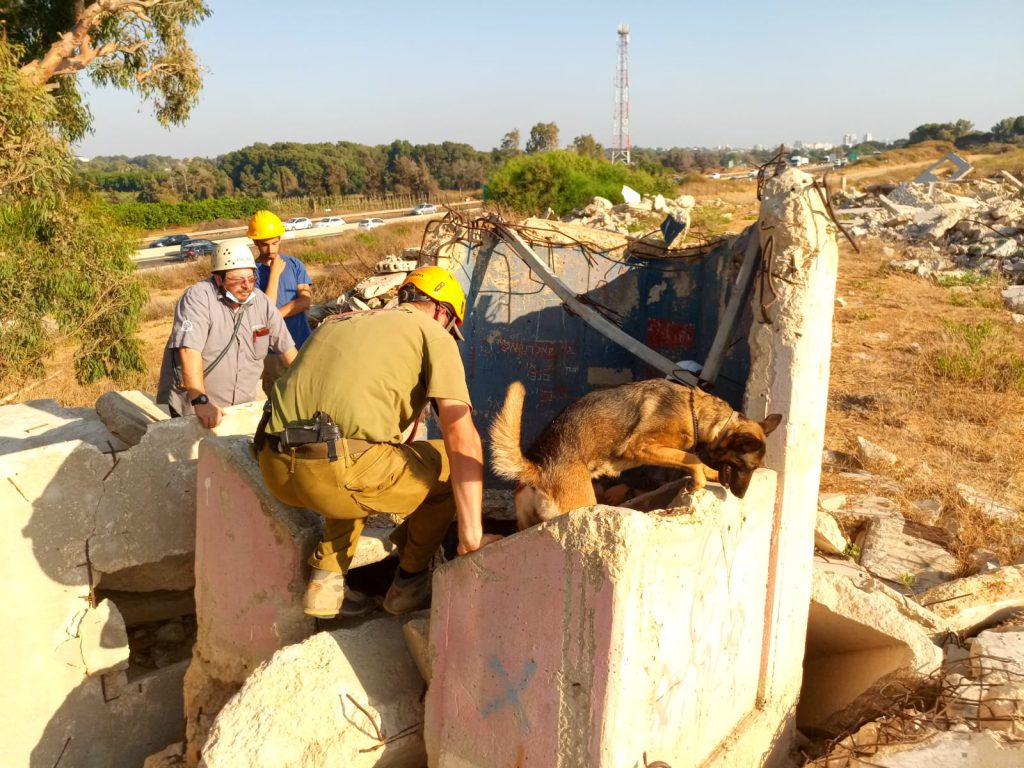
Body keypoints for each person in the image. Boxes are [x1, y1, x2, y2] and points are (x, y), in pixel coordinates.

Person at [256, 265, 502, 618]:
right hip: (335, 475)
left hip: (274, 466)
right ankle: (409, 584)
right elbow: (462, 436)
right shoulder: (433, 332)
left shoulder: (339, 321)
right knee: (447, 462)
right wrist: (472, 535)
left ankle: (324, 584)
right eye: (451, 325)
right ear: (441, 310)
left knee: (355, 447)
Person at [156, 240, 297, 428]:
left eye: (251, 278)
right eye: (237, 280)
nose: (247, 286)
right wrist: (200, 400)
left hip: (241, 408)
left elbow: (289, 352)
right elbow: (189, 351)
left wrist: (311, 388)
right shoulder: (198, 298)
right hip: (196, 408)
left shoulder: (261, 303)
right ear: (218, 279)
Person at [247, 210, 313, 397]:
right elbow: (263, 311)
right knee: (279, 399)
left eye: (275, 243)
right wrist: (274, 274)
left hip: (302, 341)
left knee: (306, 394)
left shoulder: (295, 265)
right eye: (265, 245)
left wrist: (274, 315)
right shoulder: (252, 273)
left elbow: (305, 301)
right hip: (272, 351)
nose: (271, 250)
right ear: (255, 243)